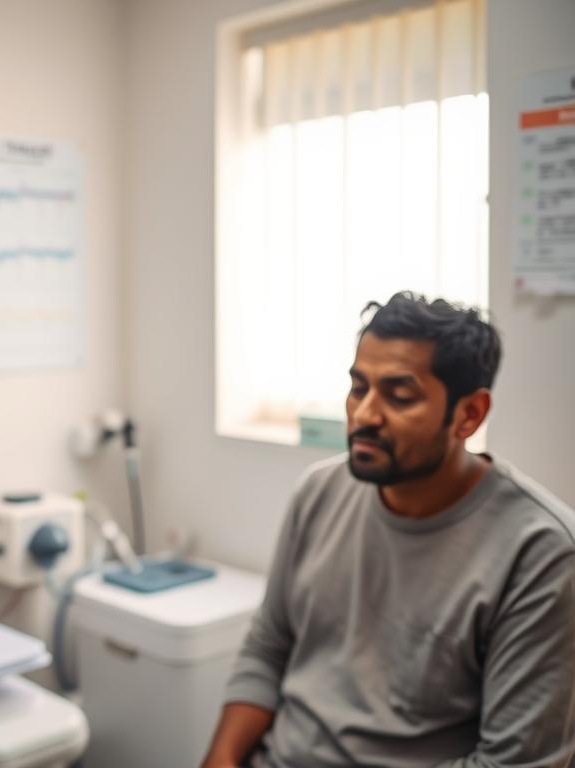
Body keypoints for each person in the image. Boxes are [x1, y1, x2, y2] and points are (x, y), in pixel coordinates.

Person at [202, 293, 575, 767]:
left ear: (470, 415)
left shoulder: (540, 551)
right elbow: (269, 645)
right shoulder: (319, 492)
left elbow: (515, 762)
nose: (364, 415)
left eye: (400, 396)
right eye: (359, 388)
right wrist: (220, 758)